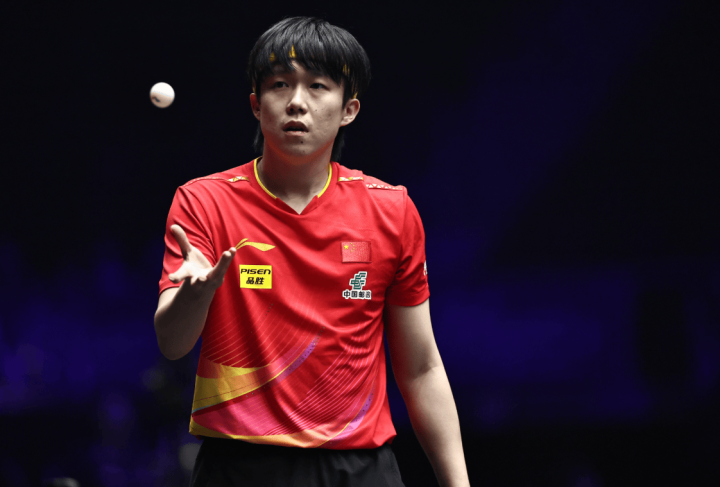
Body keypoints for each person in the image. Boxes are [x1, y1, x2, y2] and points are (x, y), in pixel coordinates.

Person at [154, 16, 470, 487]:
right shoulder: (204, 202)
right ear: (256, 104)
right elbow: (172, 343)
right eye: (280, 85)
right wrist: (195, 295)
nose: (297, 102)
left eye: (318, 86)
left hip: (359, 468)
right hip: (240, 466)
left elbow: (421, 368)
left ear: (349, 109)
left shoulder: (391, 210)